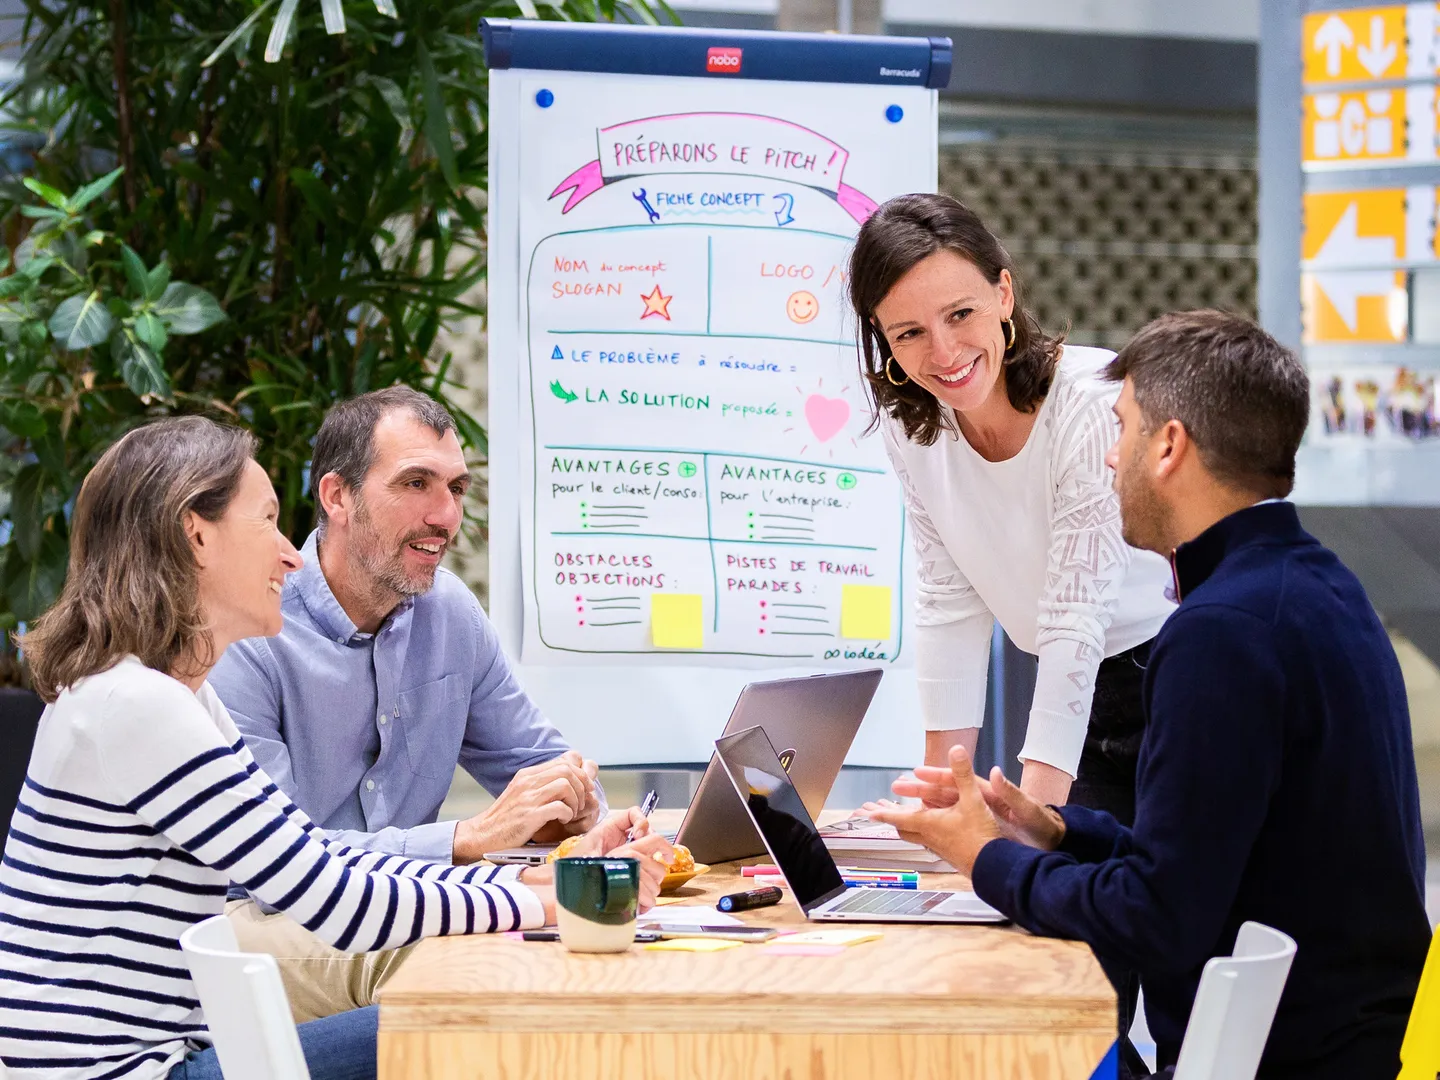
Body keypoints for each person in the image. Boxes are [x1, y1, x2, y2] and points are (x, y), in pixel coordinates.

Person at [0, 417, 672, 1080]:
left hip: (173, 1055)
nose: (290, 555)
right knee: (474, 1019)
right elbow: (335, 900)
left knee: (468, 1013)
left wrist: (525, 880)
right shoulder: (140, 708)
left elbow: (318, 853)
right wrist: (555, 897)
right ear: (195, 534)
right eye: (266, 522)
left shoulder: (166, 697)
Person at [867, 311, 1432, 1080]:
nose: (1109, 455)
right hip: (1334, 1042)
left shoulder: (1221, 633)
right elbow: (1215, 854)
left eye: (1123, 427)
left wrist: (986, 858)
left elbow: (1158, 916)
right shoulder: (1319, 587)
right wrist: (1064, 831)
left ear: (1169, 447)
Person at [207, 387, 609, 1021]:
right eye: (416, 484)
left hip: (407, 900)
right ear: (337, 496)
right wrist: (469, 841)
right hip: (263, 918)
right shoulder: (249, 632)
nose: (444, 515)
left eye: (455, 489)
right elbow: (278, 871)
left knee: (566, 934)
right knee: (487, 956)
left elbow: (542, 761)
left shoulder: (450, 613)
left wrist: (579, 814)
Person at [848, 193, 1172, 824]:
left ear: (1003, 294)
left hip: (1170, 681)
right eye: (909, 332)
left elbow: (1077, 620)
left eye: (960, 314)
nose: (943, 353)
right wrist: (945, 795)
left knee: (1118, 896)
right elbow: (949, 597)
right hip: (1073, 692)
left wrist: (1033, 822)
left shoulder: (1088, 403)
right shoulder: (911, 427)